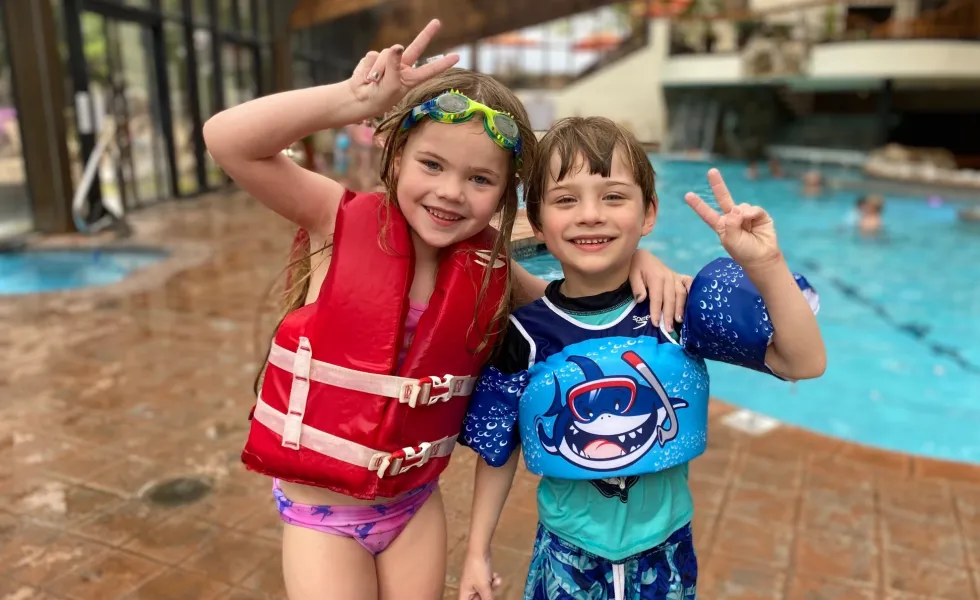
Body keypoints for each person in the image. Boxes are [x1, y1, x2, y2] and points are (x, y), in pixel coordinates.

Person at [203, 22, 690, 600]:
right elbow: (226, 139)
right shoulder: (334, 217)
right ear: (397, 155)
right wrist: (352, 101)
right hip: (321, 516)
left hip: (413, 510)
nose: (451, 192)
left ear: (505, 196)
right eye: (432, 165)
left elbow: (577, 301)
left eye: (480, 179)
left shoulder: (492, 274)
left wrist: (642, 259)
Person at [457, 117, 826, 600]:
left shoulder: (675, 310)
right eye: (567, 199)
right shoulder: (525, 334)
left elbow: (803, 361)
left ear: (648, 213)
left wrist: (764, 264)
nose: (591, 215)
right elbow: (498, 450)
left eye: (614, 196)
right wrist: (476, 551)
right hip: (567, 555)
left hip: (666, 554)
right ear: (539, 220)